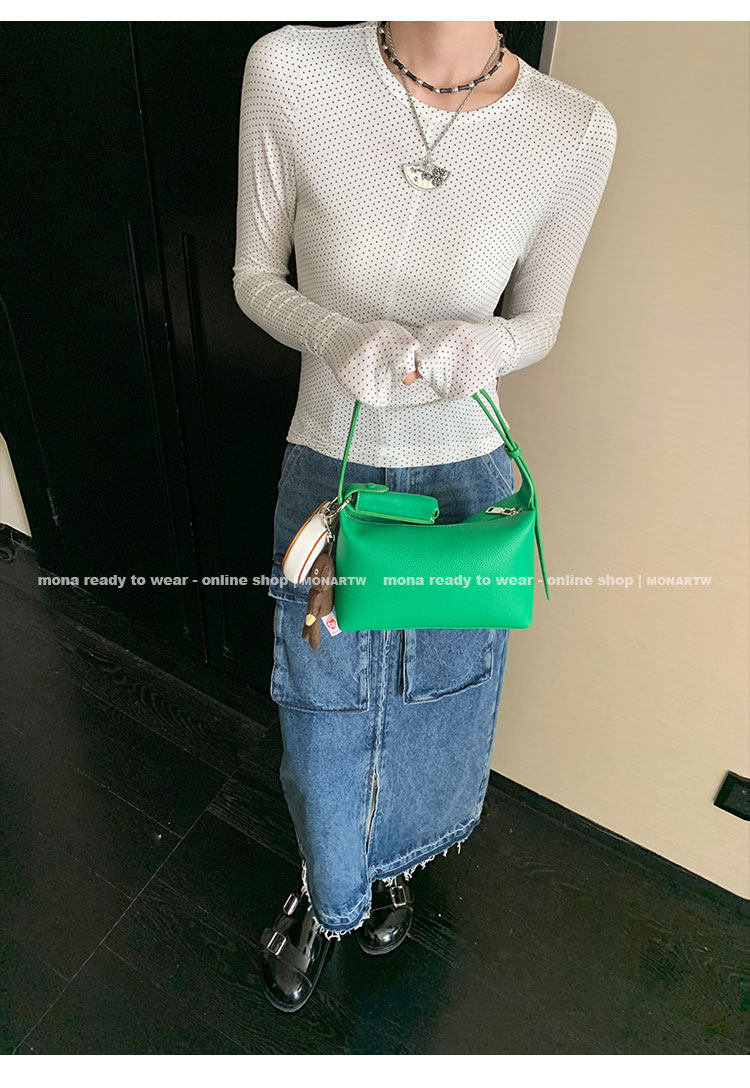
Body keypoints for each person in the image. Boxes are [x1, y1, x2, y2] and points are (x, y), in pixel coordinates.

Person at [233, 19, 617, 1012]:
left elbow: (542, 318)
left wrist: (487, 347)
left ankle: (395, 861)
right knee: (324, 705)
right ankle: (329, 890)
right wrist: (337, 335)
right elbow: (254, 277)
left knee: (440, 700)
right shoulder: (293, 69)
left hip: (466, 482)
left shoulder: (575, 129)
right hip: (332, 465)